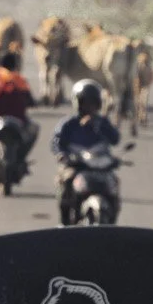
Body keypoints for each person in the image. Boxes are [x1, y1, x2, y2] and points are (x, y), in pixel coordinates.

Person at [50, 79, 121, 225]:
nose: (90, 107)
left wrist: (99, 126)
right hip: (76, 166)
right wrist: (62, 155)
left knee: (114, 183)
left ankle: (113, 222)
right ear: (78, 103)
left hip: (100, 167)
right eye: (85, 103)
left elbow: (115, 139)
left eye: (93, 103)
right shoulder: (68, 124)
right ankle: (64, 223)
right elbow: (56, 142)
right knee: (65, 182)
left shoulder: (102, 123)